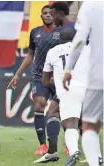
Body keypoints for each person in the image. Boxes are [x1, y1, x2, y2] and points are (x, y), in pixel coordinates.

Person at [8, 5, 61, 157]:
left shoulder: (62, 32)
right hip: (39, 76)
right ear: (41, 15)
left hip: (57, 77)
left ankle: (67, 143)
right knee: (38, 105)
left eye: (51, 13)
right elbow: (30, 55)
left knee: (63, 111)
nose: (48, 15)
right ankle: (43, 145)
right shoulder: (35, 32)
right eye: (45, 13)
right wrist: (17, 75)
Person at [63, 2, 103, 166]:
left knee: (89, 127)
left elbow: (79, 40)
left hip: (99, 74)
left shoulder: (91, 4)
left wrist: (68, 68)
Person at [41, 28, 87, 164]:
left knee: (69, 123)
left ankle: (73, 152)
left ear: (59, 40)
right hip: (88, 89)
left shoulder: (53, 51)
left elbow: (44, 81)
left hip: (68, 91)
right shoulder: (85, 49)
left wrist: (57, 81)